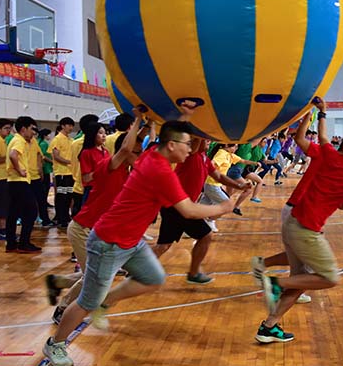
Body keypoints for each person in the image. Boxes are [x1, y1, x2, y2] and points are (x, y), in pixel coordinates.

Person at [41, 115, 236, 366]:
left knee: (153, 278)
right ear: (173, 146)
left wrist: (183, 116)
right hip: (108, 242)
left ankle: (107, 301)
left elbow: (151, 139)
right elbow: (188, 210)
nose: (191, 148)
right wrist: (224, 207)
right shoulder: (160, 170)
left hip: (131, 242)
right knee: (87, 301)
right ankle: (54, 344)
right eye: (187, 144)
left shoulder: (151, 154)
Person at [251, 98, 343, 343]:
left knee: (302, 281)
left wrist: (321, 113)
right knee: (329, 278)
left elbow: (323, 138)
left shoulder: (330, 155)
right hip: (306, 230)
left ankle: (269, 326)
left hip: (292, 223)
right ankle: (274, 283)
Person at [46, 120, 144, 324]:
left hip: (96, 232)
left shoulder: (124, 172)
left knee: (97, 275)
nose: (138, 157)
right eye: (135, 153)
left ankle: (58, 282)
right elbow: (126, 147)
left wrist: (150, 125)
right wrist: (138, 121)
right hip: (82, 230)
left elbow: (138, 148)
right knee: (92, 277)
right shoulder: (110, 167)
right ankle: (62, 308)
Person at [154, 138, 251, 284]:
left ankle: (131, 264)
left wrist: (239, 186)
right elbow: (197, 138)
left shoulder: (204, 158)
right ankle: (193, 273)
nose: (207, 141)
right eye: (204, 139)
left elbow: (219, 176)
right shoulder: (190, 155)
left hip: (178, 206)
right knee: (205, 235)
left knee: (164, 245)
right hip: (177, 207)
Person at [5, 116, 41, 254]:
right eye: (32, 129)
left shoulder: (22, 141)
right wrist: (19, 169)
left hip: (15, 181)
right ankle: (23, 243)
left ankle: (12, 243)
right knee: (31, 211)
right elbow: (13, 155)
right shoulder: (19, 140)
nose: (34, 132)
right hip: (19, 181)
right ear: (23, 129)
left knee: (13, 213)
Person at [49, 117, 76, 229]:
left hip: (70, 173)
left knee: (68, 195)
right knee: (62, 196)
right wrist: (69, 162)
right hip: (61, 174)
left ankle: (66, 217)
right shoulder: (57, 139)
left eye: (71, 126)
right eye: (68, 125)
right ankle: (61, 218)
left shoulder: (70, 140)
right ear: (63, 126)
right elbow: (56, 156)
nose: (70, 128)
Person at [37, 129, 55, 227]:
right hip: (45, 171)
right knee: (43, 194)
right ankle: (44, 219)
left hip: (43, 171)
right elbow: (42, 157)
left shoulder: (38, 143)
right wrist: (52, 161)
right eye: (48, 134)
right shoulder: (43, 144)